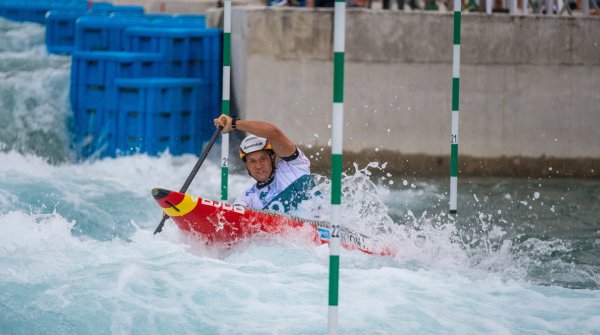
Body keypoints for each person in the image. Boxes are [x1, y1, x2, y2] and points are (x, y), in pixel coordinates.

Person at [213, 114, 315, 213]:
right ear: (246, 165)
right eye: (252, 161)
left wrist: (234, 123)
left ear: (273, 157)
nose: (258, 165)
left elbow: (273, 133)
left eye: (263, 159)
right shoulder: (247, 199)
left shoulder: (294, 165)